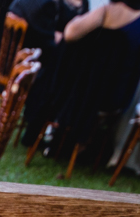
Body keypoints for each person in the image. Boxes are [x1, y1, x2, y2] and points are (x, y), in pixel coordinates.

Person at [30, 0, 140, 161]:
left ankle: (60, 133)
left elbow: (70, 34)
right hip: (115, 95)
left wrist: (78, 19)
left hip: (80, 93)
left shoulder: (106, 11)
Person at [12, 0, 86, 147]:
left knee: (65, 72)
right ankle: (42, 130)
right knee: (62, 76)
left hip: (43, 58)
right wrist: (55, 36)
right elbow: (48, 39)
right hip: (34, 63)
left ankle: (54, 131)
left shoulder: (81, 4)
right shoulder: (44, 5)